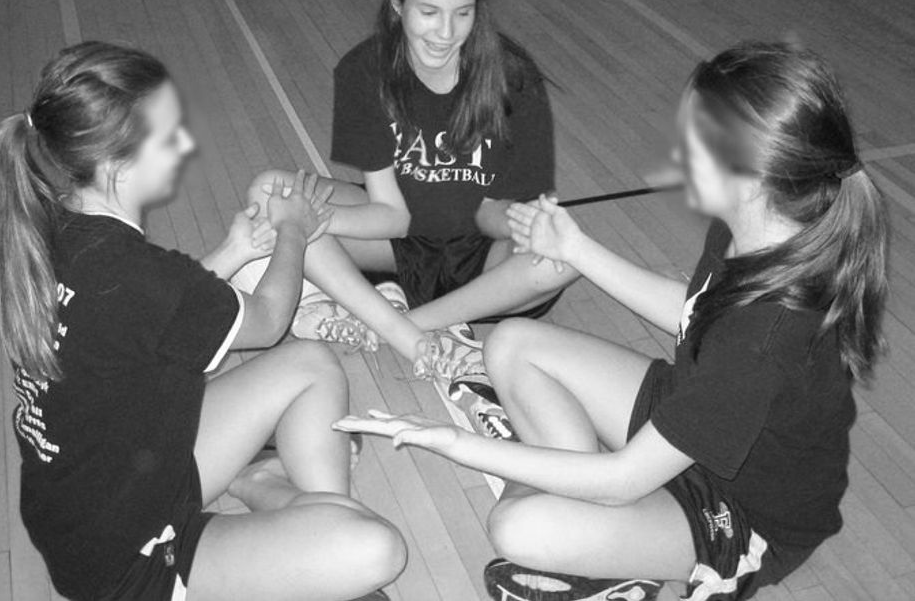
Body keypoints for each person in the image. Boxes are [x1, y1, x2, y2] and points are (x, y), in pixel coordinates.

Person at [334, 42, 887, 601]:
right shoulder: (750, 227)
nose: (676, 152)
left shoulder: (765, 340)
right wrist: (575, 249)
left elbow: (622, 481)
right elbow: (694, 311)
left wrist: (454, 442)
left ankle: (614, 553)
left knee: (519, 529)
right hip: (692, 416)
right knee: (512, 343)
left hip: (741, 510)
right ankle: (599, 530)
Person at [0, 42, 406, 601]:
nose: (185, 144)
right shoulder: (138, 274)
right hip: (130, 562)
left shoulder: (52, 234)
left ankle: (290, 514)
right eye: (169, 136)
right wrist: (294, 231)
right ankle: (289, 514)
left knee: (311, 364)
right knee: (378, 550)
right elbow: (269, 319)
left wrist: (234, 251)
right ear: (116, 166)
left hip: (112, 490)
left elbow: (154, 314)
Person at [240, 0, 576, 396]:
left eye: (463, 13)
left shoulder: (513, 77)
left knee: (562, 257)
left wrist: (523, 222)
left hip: (483, 257)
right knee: (268, 192)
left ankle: (398, 319)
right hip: (396, 242)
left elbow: (490, 214)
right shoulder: (364, 71)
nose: (446, 32)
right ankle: (401, 323)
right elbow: (392, 216)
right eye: (429, 12)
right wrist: (308, 217)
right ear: (398, 4)